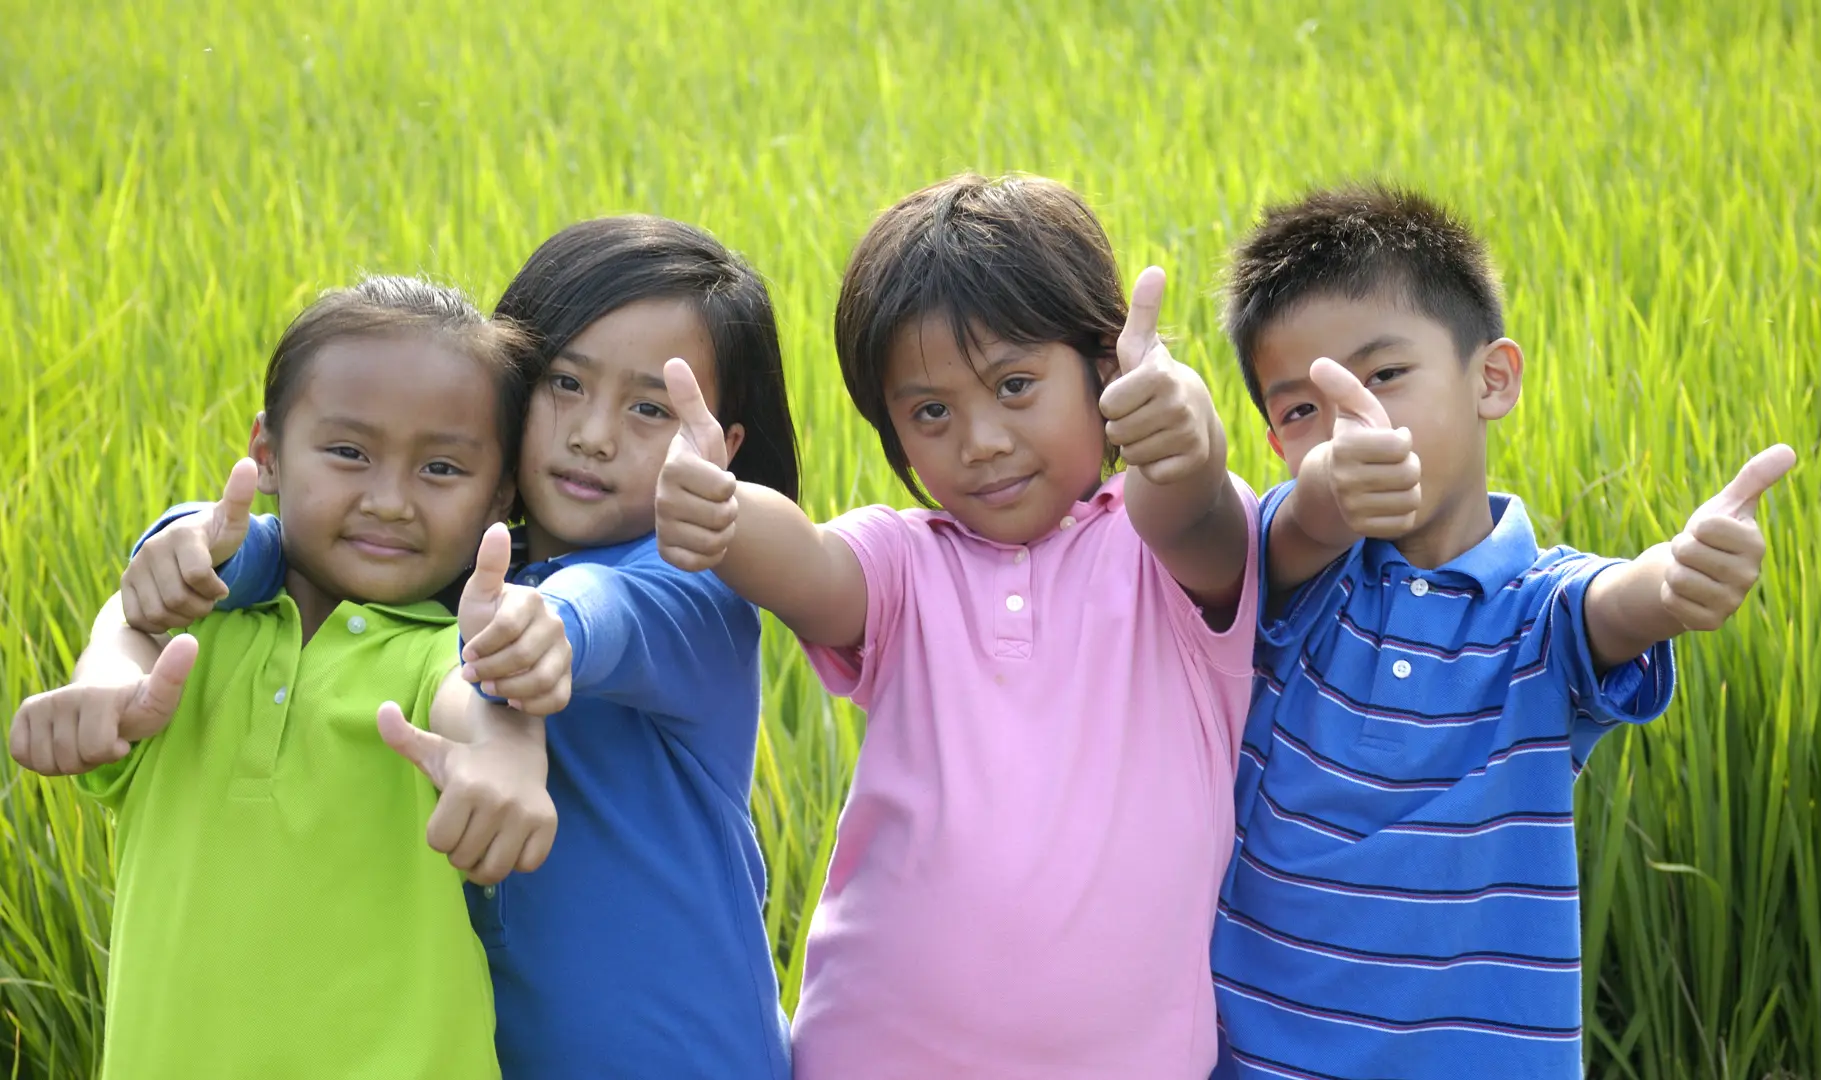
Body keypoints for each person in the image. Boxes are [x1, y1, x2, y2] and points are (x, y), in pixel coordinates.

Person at [114, 217, 801, 1079]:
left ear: (721, 450)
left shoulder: (698, 593)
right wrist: (200, 543)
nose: (594, 434)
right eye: (563, 384)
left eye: (651, 409)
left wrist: (549, 628)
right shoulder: (443, 578)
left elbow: (606, 610)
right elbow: (295, 554)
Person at [654, 173, 1260, 1079]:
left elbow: (1192, 501)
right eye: (930, 412)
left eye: (1015, 385)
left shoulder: (1160, 555)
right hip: (874, 1050)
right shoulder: (905, 563)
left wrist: (1183, 428)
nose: (979, 440)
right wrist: (726, 512)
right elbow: (811, 567)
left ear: (1105, 369)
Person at [1209, 183, 1794, 1079]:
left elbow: (1615, 606)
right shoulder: (1291, 577)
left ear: (1493, 378)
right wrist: (1327, 489)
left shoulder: (1537, 610)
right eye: (1302, 411)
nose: (1349, 427)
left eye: (1385, 377)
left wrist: (1676, 579)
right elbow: (1295, 527)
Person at [8, 275, 568, 1079]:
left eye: (441, 469)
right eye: (348, 452)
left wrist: (506, 764)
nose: (389, 500)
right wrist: (101, 680)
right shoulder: (194, 636)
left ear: (499, 496)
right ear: (266, 453)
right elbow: (132, 642)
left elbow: (478, 707)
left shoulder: (442, 649)